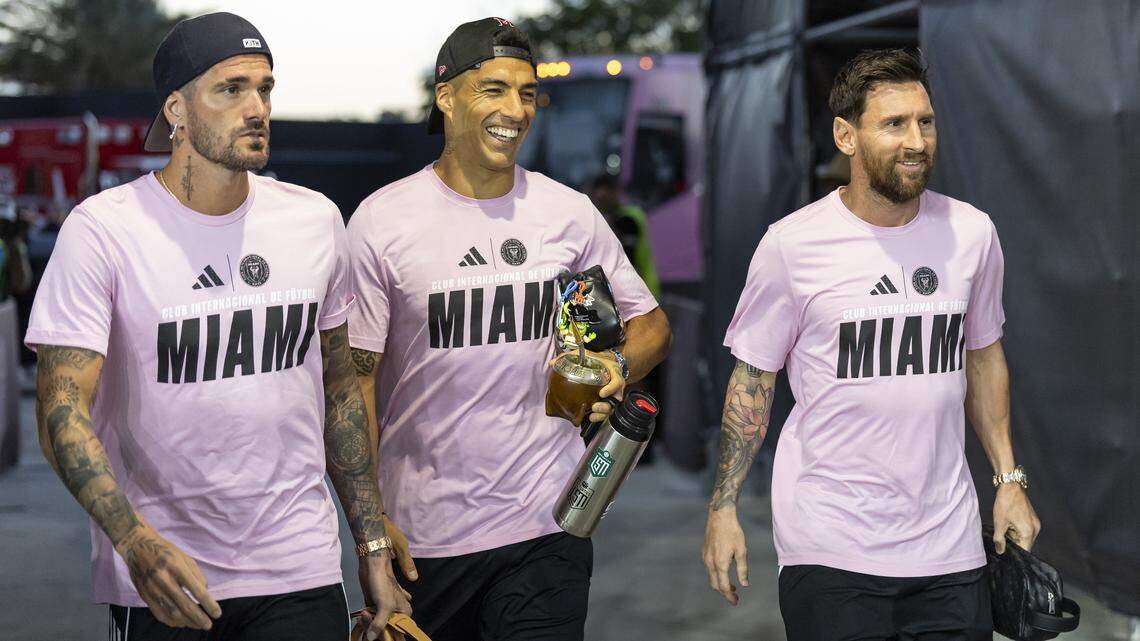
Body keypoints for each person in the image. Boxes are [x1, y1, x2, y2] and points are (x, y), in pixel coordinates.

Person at [26, 13, 408, 641]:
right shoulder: (104, 231)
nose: (256, 107)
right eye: (230, 89)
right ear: (176, 109)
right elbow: (60, 410)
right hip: (169, 582)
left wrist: (370, 546)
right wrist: (134, 544)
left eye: (265, 88)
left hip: (298, 570)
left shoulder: (314, 221)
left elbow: (340, 391)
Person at [346, 17, 672, 641]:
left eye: (527, 94)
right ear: (445, 97)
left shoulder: (567, 213)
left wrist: (614, 367)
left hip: (549, 525)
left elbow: (652, 325)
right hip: (425, 540)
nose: (515, 110)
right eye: (492, 89)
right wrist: (369, 527)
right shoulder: (380, 225)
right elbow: (354, 389)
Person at [701, 48, 1041, 640]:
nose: (916, 141)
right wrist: (723, 508)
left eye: (925, 122)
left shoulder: (972, 234)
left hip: (950, 548)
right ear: (845, 135)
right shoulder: (792, 247)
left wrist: (1009, 482)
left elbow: (983, 356)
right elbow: (752, 382)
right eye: (893, 124)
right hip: (832, 546)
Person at [587, 174, 661, 300]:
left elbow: (626, 260)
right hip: (640, 291)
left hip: (639, 295)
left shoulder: (626, 220)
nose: (600, 203)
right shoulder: (625, 216)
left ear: (616, 193)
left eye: (603, 198)